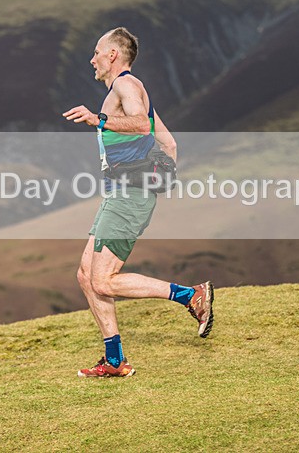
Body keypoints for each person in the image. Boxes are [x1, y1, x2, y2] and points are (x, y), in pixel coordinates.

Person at [63, 27, 214, 378]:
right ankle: (114, 360)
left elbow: (141, 128)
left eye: (97, 52)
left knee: (102, 280)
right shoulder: (135, 90)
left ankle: (190, 296)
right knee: (86, 275)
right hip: (123, 192)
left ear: (113, 55)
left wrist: (97, 118)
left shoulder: (126, 86)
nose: (93, 59)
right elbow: (169, 143)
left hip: (128, 195)